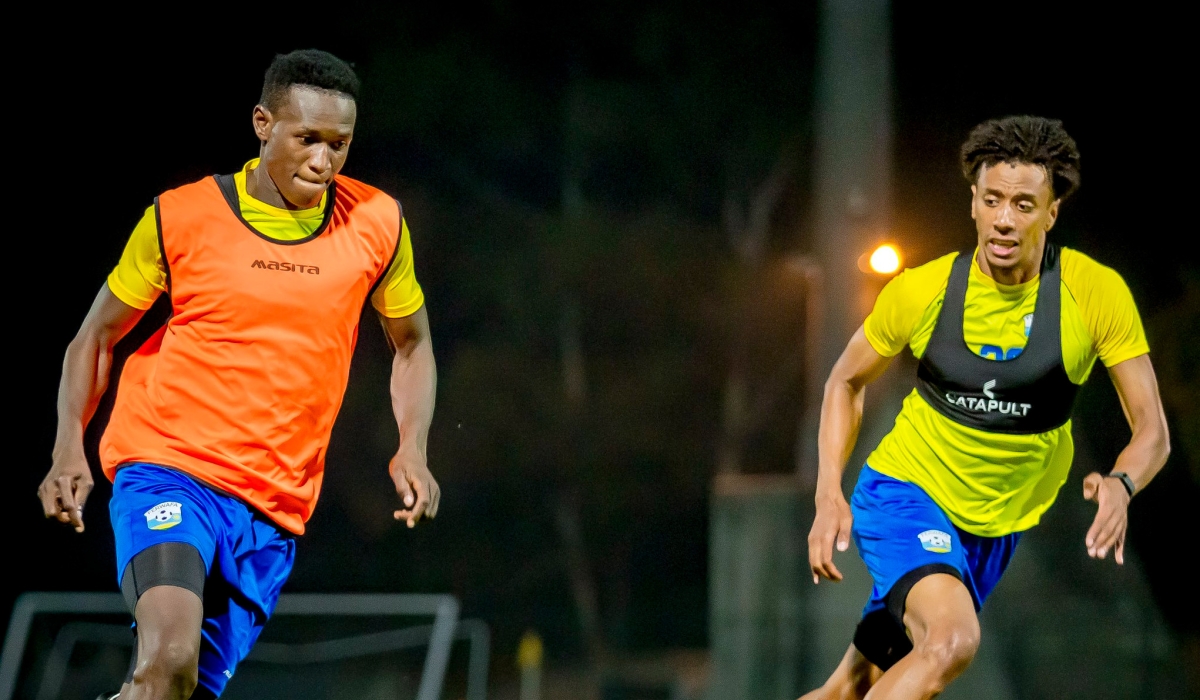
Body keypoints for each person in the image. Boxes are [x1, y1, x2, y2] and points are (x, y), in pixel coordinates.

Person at [38, 49, 439, 700]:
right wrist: (66, 448)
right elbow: (96, 335)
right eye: (307, 138)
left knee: (177, 690)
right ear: (262, 123)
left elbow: (413, 345)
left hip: (274, 511)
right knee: (167, 655)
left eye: (340, 144)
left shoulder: (377, 225)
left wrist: (412, 448)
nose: (323, 159)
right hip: (169, 468)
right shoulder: (183, 217)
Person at [800, 115, 1170, 700]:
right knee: (950, 642)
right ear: (972, 202)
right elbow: (844, 381)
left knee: (850, 688)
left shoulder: (1092, 293)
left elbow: (1152, 429)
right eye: (993, 199)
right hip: (905, 495)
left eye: (1024, 204)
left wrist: (1123, 484)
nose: (1004, 218)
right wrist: (827, 495)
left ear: (1051, 212)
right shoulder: (922, 291)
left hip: (994, 529)